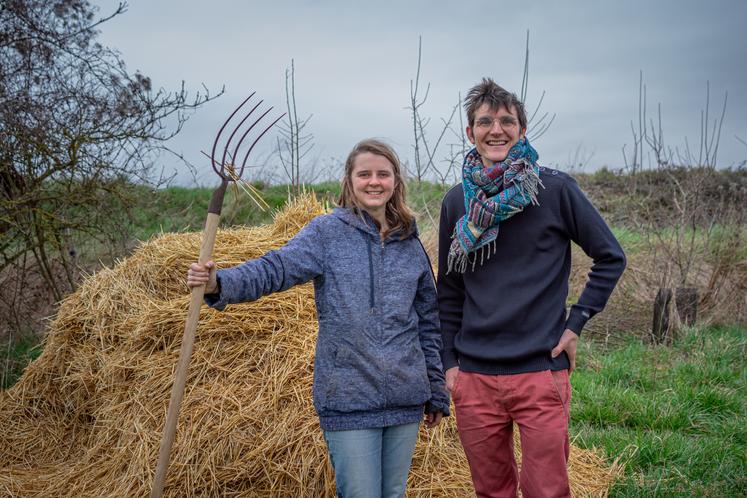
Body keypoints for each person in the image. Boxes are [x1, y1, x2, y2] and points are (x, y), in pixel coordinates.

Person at [187, 139, 449, 498]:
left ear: (395, 181)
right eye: (365, 174)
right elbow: (276, 268)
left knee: (394, 494)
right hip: (349, 397)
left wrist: (435, 390)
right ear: (349, 180)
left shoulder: (410, 242)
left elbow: (428, 323)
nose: (374, 182)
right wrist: (221, 282)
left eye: (383, 174)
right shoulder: (327, 234)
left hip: (405, 399)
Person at [437, 78, 626, 498]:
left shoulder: (555, 190)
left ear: (522, 130)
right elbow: (448, 291)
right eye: (485, 121)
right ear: (470, 133)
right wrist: (450, 362)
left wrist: (576, 322)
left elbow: (611, 256)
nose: (496, 129)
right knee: (491, 491)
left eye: (507, 121)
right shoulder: (457, 203)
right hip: (474, 377)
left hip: (540, 371)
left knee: (547, 491)